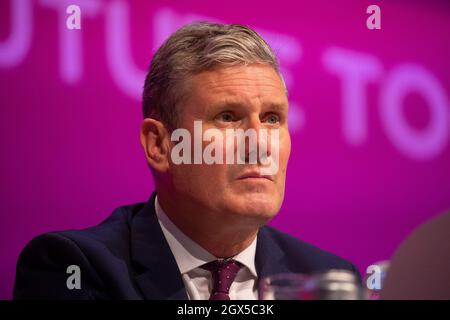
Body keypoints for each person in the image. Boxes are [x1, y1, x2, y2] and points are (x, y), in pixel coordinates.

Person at [14, 22, 359, 300]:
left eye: (272, 118)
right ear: (160, 145)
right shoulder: (74, 267)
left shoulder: (326, 280)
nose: (260, 143)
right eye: (227, 116)